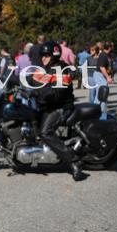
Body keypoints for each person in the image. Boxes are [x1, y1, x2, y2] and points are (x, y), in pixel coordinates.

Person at [31, 42, 86, 182]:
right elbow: (33, 80)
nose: (43, 58)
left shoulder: (62, 70)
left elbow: (56, 94)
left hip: (61, 107)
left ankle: (74, 161)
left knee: (46, 132)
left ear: (54, 55)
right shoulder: (48, 68)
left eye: (47, 55)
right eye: (42, 55)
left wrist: (37, 94)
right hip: (50, 106)